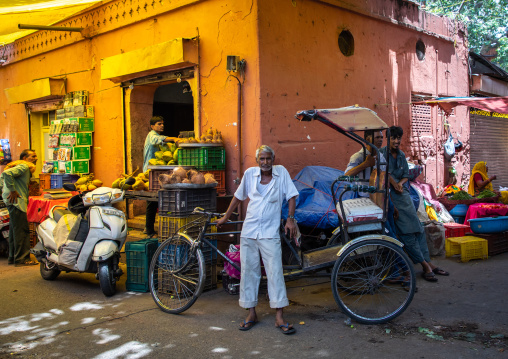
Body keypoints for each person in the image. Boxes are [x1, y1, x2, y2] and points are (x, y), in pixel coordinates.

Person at [216, 145, 299, 335]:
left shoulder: (281, 173)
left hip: (270, 232)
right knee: (249, 272)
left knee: (275, 272)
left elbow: (292, 196)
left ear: (273, 159)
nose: (265, 162)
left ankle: (279, 317)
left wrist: (290, 220)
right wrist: (226, 217)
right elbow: (238, 198)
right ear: (257, 160)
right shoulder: (250, 174)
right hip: (250, 231)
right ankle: (251, 313)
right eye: (261, 159)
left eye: (268, 159)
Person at [380, 126, 449, 282]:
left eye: (399, 138)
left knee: (418, 229)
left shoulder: (402, 155)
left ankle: (429, 262)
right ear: (388, 138)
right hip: (390, 196)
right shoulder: (382, 154)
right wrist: (394, 184)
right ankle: (424, 265)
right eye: (393, 138)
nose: (396, 141)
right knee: (406, 232)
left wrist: (400, 184)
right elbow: (385, 174)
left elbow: (405, 175)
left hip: (403, 195)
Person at [0, 149, 38, 266]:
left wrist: (5, 191)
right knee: (22, 231)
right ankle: (22, 259)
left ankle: (12, 257)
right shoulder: (24, 167)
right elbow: (6, 174)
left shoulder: (20, 166)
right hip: (16, 201)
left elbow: (2, 177)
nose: (35, 158)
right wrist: (12, 190)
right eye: (32, 156)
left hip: (12, 200)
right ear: (25, 158)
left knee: (14, 230)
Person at [142, 116, 177, 237]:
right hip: (150, 171)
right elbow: (157, 140)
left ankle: (151, 228)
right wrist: (173, 138)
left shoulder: (156, 135)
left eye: (162, 123)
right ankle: (149, 229)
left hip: (156, 170)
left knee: (156, 200)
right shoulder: (152, 135)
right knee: (152, 201)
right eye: (159, 124)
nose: (162, 125)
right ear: (152, 126)